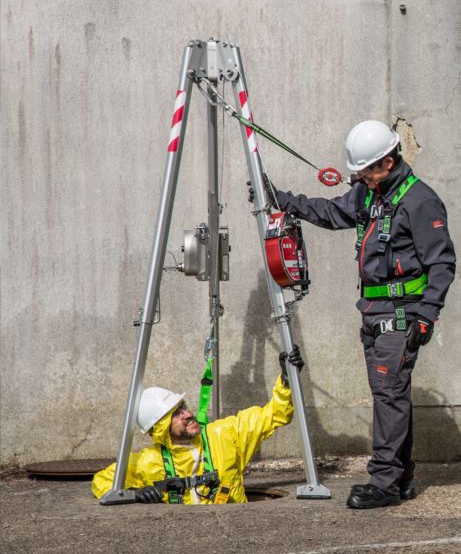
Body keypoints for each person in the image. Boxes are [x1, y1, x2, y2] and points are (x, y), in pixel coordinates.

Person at [262, 120, 456, 509]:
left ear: (387, 161)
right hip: (373, 311)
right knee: (391, 395)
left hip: (401, 316)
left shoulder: (420, 201)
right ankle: (400, 477)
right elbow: (332, 213)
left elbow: (443, 264)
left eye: (365, 170)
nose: (359, 177)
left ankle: (383, 483)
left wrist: (427, 314)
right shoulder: (371, 194)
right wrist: (283, 200)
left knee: (388, 394)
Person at [92, 347, 303, 504]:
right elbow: (102, 480)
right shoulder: (148, 462)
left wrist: (286, 379)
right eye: (176, 414)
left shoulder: (225, 434)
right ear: (161, 428)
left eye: (183, 407)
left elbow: (275, 414)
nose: (187, 414)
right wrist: (133, 494)